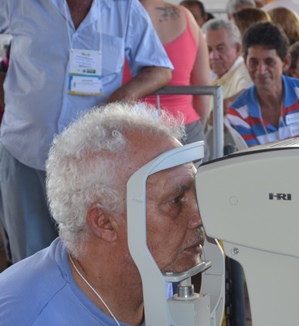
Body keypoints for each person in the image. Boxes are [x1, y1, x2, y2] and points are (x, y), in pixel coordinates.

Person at [0, 0, 172, 264]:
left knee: (88, 258)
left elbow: (159, 69)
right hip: (25, 152)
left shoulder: (124, 8)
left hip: (91, 161)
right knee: (29, 259)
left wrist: (122, 97)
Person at [227, 22, 299, 145]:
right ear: (245, 62)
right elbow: (253, 162)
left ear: (286, 62)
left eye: (269, 62)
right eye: (253, 62)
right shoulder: (239, 112)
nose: (260, 70)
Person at [123, 0, 212, 147]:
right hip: (184, 128)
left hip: (129, 130)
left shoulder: (111, 17)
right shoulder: (186, 17)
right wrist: (194, 127)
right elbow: (204, 87)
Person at [204, 19, 252, 110]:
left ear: (238, 49)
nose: (213, 56)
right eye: (209, 49)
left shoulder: (244, 75)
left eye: (220, 48)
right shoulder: (216, 77)